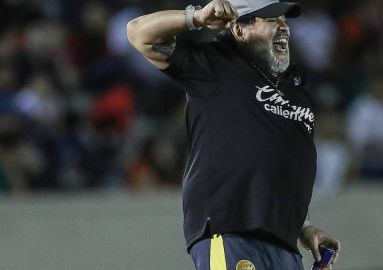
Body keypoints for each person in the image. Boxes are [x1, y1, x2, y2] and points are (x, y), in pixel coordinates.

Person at [126, 0, 340, 269]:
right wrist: (197, 17)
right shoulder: (215, 65)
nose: (284, 27)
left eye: (285, 20)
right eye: (272, 20)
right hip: (232, 228)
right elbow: (138, 33)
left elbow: (277, 167)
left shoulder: (295, 90)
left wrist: (304, 227)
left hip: (285, 244)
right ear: (240, 30)